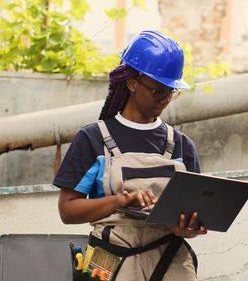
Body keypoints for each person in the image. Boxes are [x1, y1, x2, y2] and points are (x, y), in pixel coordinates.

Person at [53, 30, 207, 281]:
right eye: (158, 90)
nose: (165, 99)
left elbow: (190, 214)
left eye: (171, 91)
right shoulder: (93, 139)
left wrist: (185, 228)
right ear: (132, 83)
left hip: (170, 257)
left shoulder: (181, 146)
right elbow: (67, 211)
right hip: (109, 257)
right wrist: (120, 201)